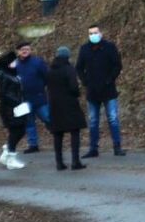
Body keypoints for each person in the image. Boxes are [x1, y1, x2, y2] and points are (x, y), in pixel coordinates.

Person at [75, 24, 127, 157]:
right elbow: (79, 67)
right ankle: (93, 148)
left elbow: (117, 65)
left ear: (101, 33)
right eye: (91, 33)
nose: (93, 35)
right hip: (92, 91)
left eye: (95, 32)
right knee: (93, 121)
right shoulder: (84, 49)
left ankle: (117, 147)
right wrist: (85, 81)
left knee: (113, 119)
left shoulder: (109, 47)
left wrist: (109, 79)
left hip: (108, 90)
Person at [46, 46, 87, 170]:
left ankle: (59, 162)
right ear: (68, 56)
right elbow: (74, 87)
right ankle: (75, 161)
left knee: (58, 134)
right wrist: (77, 94)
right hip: (69, 104)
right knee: (75, 131)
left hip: (54, 105)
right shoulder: (69, 69)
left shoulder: (50, 70)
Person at [0, 47, 29, 170]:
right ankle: (11, 158)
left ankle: (7, 150)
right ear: (8, 63)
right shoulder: (4, 75)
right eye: (14, 61)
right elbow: (2, 94)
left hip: (17, 107)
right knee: (16, 131)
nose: (16, 62)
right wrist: (18, 102)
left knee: (21, 130)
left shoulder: (13, 74)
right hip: (9, 109)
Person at [13, 41, 50, 153]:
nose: (25, 51)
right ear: (18, 51)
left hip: (39, 97)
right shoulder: (14, 65)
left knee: (48, 117)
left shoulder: (38, 62)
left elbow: (47, 76)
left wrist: (41, 87)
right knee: (29, 123)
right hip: (23, 99)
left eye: (27, 49)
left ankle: (59, 136)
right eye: (22, 49)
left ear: (30, 50)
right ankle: (33, 145)